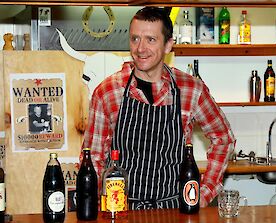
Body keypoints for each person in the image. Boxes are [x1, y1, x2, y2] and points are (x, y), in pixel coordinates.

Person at [83, 7, 236, 210]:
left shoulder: (190, 89)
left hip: (176, 211)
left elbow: (224, 139)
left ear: (168, 45)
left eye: (151, 40)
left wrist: (202, 194)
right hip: (123, 212)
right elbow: (93, 158)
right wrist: (102, 206)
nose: (140, 48)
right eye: (135, 39)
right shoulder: (108, 91)